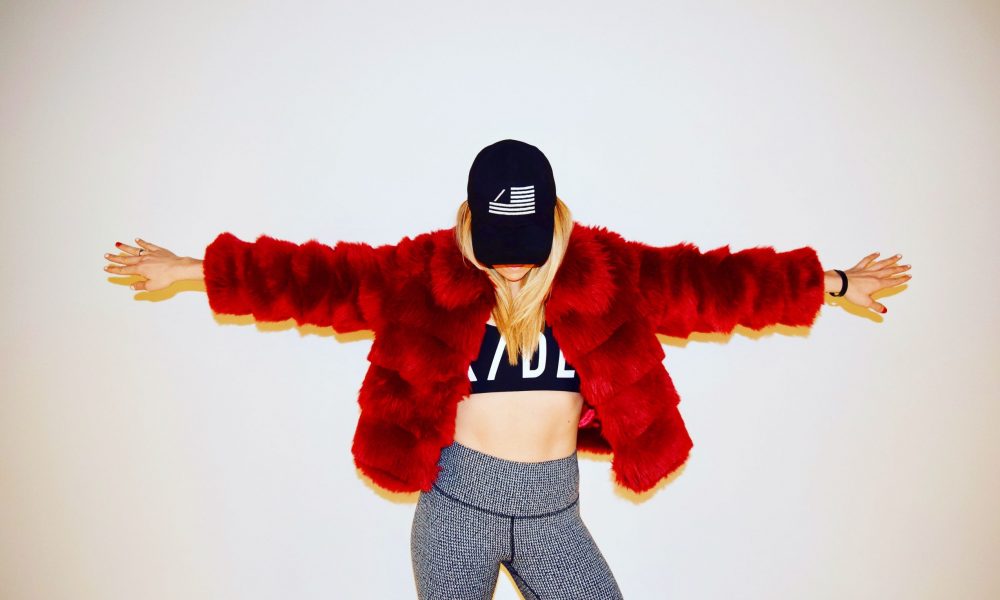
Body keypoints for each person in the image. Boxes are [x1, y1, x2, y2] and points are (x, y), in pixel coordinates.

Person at [102, 139, 911, 599]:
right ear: (469, 225)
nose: (515, 269)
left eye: (529, 250)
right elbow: (318, 280)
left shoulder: (608, 273)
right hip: (455, 508)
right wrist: (189, 270)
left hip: (556, 514)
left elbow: (718, 286)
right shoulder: (424, 275)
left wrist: (835, 282)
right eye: (497, 251)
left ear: (558, 224)